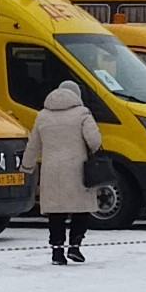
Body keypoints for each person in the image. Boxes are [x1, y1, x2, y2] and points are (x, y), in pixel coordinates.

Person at [26, 76, 104, 266]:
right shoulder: (82, 114)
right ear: (77, 95)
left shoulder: (42, 115)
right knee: (81, 208)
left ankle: (57, 253)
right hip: (77, 169)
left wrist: (26, 166)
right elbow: (94, 141)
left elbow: (33, 144)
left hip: (51, 170)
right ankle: (75, 246)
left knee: (56, 211)